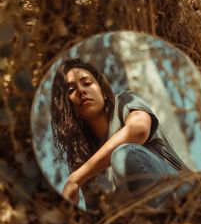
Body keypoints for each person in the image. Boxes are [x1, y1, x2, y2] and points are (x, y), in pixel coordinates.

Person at [50, 58, 190, 208]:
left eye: (87, 83)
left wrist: (76, 178)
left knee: (123, 154)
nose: (81, 91)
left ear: (103, 92)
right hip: (138, 218)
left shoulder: (124, 102)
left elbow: (138, 130)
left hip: (183, 190)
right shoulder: (83, 160)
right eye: (71, 90)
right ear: (68, 107)